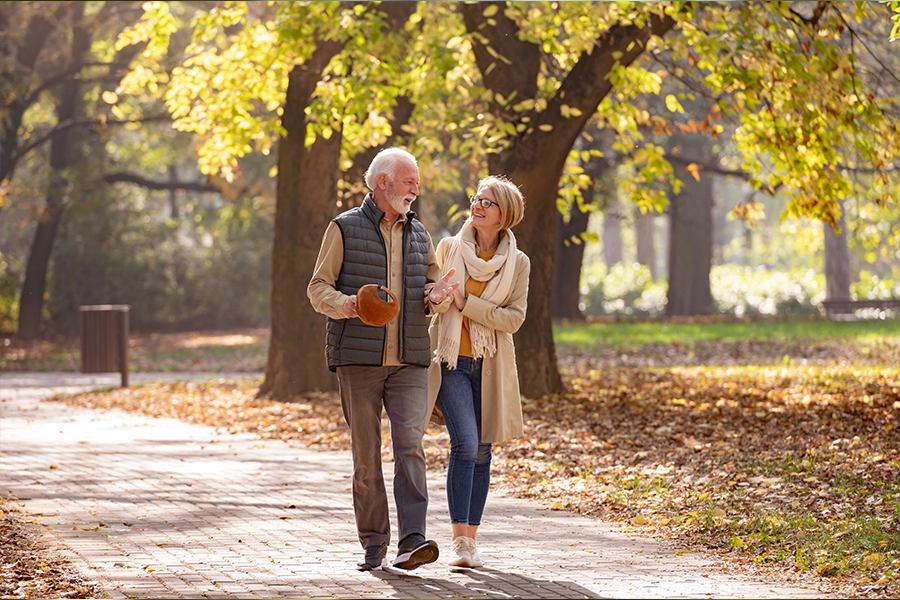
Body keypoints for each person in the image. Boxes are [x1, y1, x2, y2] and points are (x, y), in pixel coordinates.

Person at [308, 147, 458, 571]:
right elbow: (317, 288)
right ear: (383, 183)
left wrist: (437, 295)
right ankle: (374, 543)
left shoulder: (420, 234)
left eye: (417, 183)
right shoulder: (343, 228)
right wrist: (348, 304)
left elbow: (431, 289)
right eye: (409, 181)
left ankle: (412, 541)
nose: (415, 190)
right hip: (358, 361)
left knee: (411, 448)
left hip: (410, 361)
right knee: (366, 455)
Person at [426, 175, 530, 569]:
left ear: (505, 214)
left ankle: (471, 540)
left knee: (483, 450)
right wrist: (438, 297)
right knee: (466, 444)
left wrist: (465, 302)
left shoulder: (518, 263)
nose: (477, 206)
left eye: (487, 202)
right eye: (476, 199)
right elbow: (435, 304)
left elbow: (513, 318)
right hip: (451, 360)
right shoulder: (448, 248)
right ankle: (458, 541)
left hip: (491, 365)